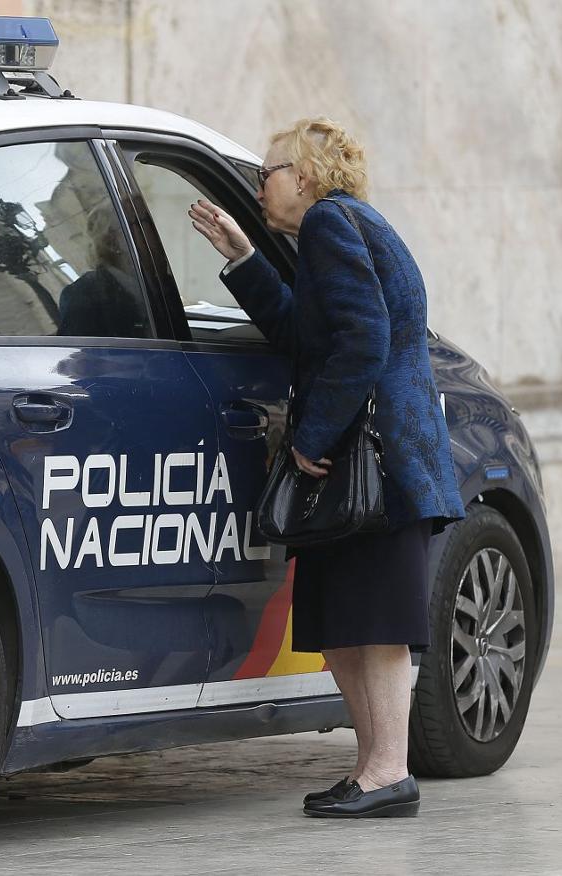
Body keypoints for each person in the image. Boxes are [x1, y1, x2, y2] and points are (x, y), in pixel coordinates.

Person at [188, 117, 465, 818]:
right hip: (381, 458)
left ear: (304, 176)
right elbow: (306, 335)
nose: (260, 185)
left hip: (374, 461)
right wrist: (246, 257)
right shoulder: (341, 228)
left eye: (268, 173)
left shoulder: (330, 226)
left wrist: (312, 438)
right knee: (348, 623)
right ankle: (377, 770)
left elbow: (361, 342)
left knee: (372, 623)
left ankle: (387, 772)